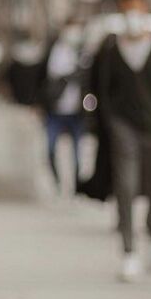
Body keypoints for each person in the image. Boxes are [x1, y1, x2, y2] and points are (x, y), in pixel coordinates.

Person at [95, 0, 151, 281]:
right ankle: (129, 250)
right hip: (123, 126)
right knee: (126, 186)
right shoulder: (110, 49)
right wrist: (107, 122)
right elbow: (101, 88)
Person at [39, 19, 85, 194]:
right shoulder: (52, 51)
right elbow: (42, 79)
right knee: (50, 149)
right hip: (54, 111)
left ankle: (76, 185)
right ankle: (57, 181)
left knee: (77, 153)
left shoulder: (82, 53)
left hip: (76, 111)